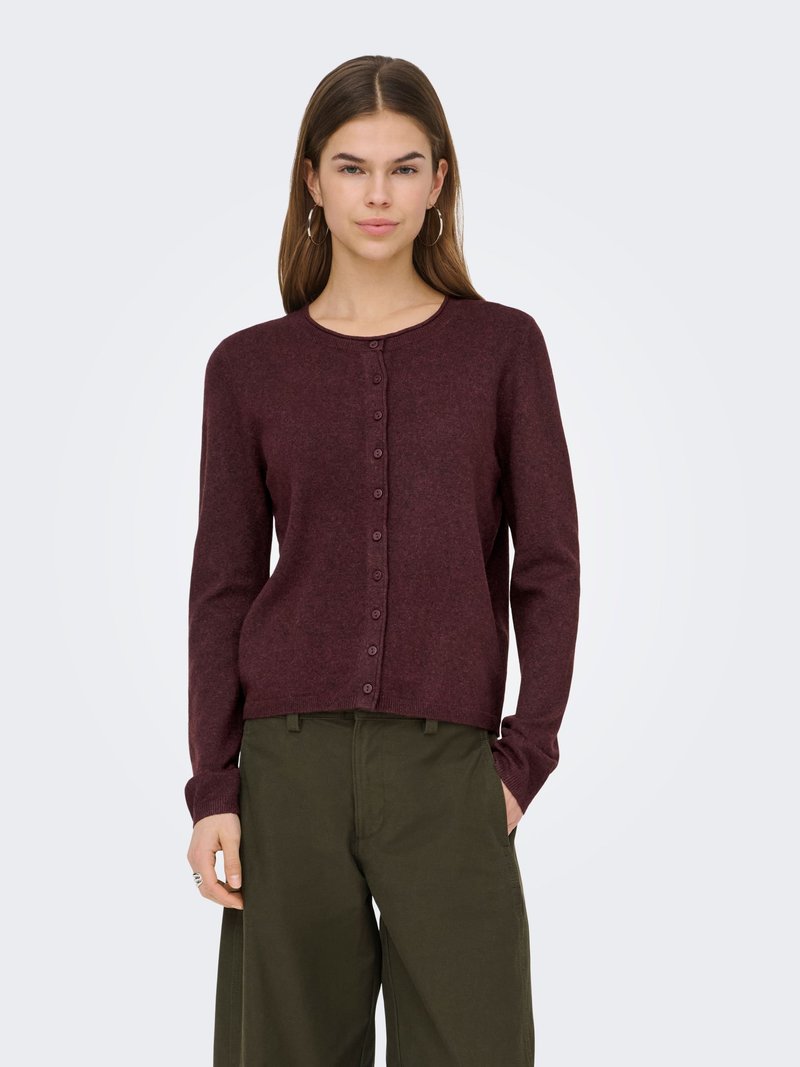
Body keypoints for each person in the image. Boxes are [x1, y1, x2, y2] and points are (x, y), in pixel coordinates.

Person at [184, 54, 580, 1067]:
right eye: (351, 167)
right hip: (288, 765)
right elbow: (224, 584)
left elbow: (547, 564)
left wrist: (522, 759)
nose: (377, 194)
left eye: (403, 168)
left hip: (448, 766)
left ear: (438, 181)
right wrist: (216, 785)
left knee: (475, 1043)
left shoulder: (501, 349)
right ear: (311, 181)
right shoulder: (248, 368)